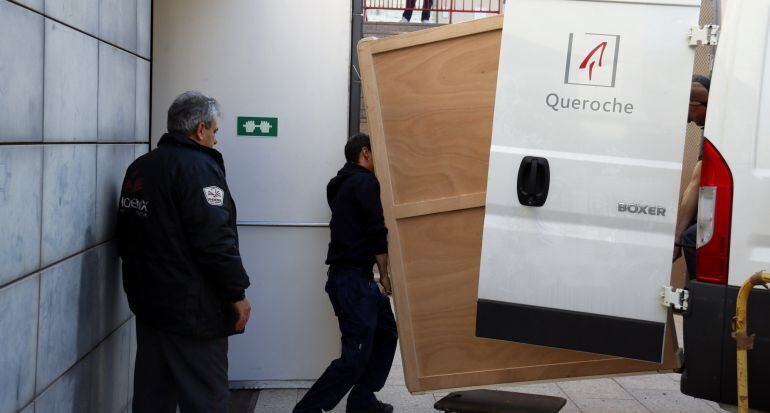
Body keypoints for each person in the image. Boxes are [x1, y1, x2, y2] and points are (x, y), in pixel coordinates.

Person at [118, 91, 252, 413]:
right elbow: (215, 242)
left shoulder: (140, 168)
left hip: (151, 309)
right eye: (215, 132)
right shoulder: (198, 170)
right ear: (200, 130)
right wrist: (237, 294)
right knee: (206, 400)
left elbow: (126, 237)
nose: (216, 141)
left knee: (153, 399)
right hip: (193, 314)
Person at [294, 134, 398, 413]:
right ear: (365, 153)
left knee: (387, 332)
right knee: (355, 355)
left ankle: (362, 399)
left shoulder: (340, 184)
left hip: (353, 278)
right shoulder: (364, 181)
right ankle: (306, 410)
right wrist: (385, 275)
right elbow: (376, 230)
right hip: (352, 281)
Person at [673, 75, 710, 278]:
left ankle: (703, 295)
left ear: (697, 103)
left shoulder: (716, 132)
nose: (688, 119)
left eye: (688, 109)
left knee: (690, 238)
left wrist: (678, 235)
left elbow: (695, 184)